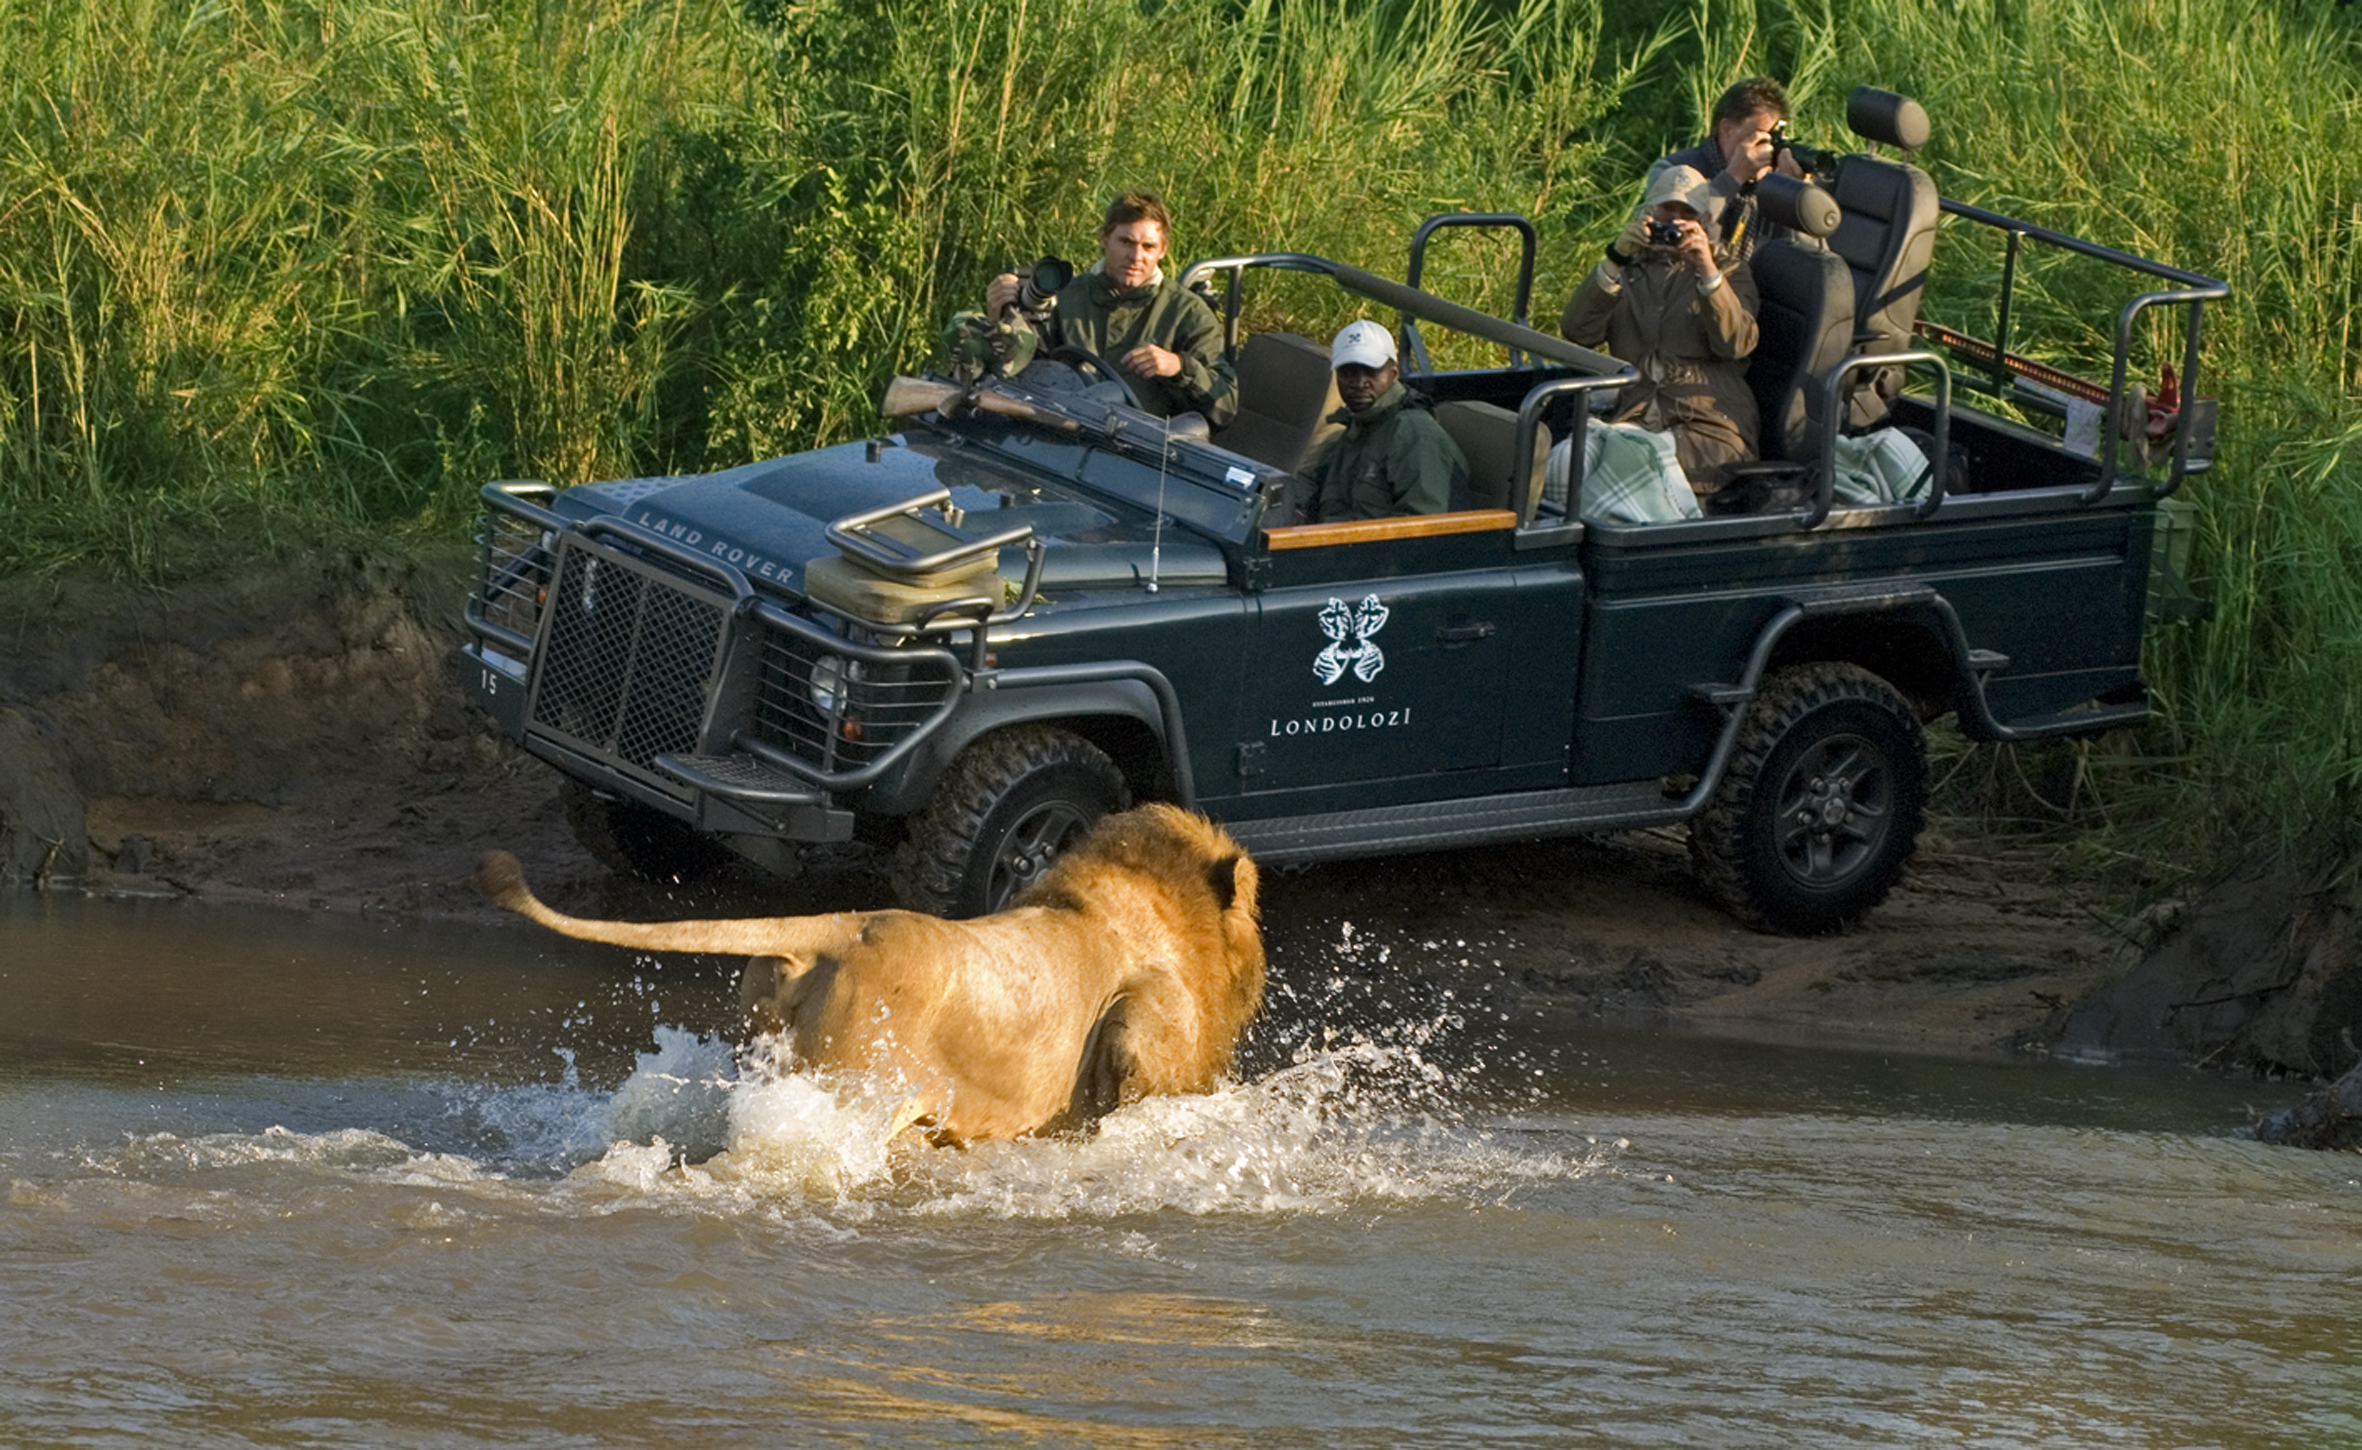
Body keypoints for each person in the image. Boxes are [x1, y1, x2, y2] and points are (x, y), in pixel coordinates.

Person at [1560, 164, 1760, 497]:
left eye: (1687, 214)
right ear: (1649, 213)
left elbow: (1736, 344)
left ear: (1706, 221)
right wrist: (1615, 258)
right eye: (1667, 210)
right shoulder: (1630, 268)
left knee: (1626, 464)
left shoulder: (1731, 271)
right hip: (1635, 414)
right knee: (1565, 460)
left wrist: (1706, 270)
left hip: (1705, 425)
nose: (1674, 222)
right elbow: (1578, 330)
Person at [978, 191, 1237, 427]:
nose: (1136, 257)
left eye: (1148, 247)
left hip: (1138, 452)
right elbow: (1013, 375)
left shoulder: (1186, 312)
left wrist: (1179, 367)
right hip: (1058, 433)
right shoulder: (1066, 296)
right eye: (1126, 242)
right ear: (1104, 239)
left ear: (1163, 250)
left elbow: (1225, 407)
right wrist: (998, 317)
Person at [1295, 320, 1468, 523]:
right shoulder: (1355, 426)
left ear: (1393, 374)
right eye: (1348, 373)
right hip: (1332, 542)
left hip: (1370, 550)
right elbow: (1311, 483)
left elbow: (1421, 530)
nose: (1359, 384)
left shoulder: (1415, 436)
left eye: (1371, 372)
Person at [1647, 76, 1807, 265]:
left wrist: (1797, 200)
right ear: (1727, 130)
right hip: (1690, 288)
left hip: (1749, 290)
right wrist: (1732, 179)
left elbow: (1811, 263)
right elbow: (1670, 242)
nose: (1769, 149)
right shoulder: (1671, 171)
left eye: (1775, 141)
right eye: (1761, 139)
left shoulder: (1771, 182)